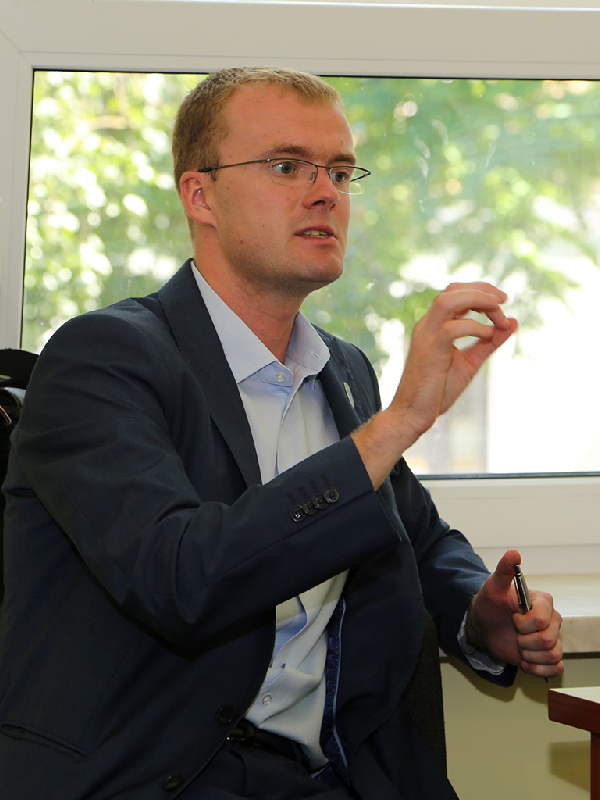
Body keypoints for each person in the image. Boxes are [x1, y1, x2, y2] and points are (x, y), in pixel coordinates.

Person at [0, 66, 563, 800]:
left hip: (331, 774)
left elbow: (417, 543)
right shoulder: (101, 358)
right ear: (200, 195)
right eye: (287, 166)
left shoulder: (343, 369)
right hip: (159, 776)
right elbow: (183, 580)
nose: (326, 192)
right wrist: (400, 422)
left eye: (339, 171)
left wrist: (480, 616)